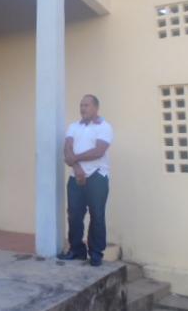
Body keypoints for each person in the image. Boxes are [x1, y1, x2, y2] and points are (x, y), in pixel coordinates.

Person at [58, 95, 113, 267]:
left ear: (96, 108)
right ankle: (76, 250)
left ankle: (96, 253)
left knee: (97, 215)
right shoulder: (74, 126)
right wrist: (77, 168)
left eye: (86, 105)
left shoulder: (104, 127)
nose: (82, 108)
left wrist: (75, 158)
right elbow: (67, 148)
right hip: (76, 176)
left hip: (97, 176)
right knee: (74, 214)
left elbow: (99, 151)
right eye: (81, 105)